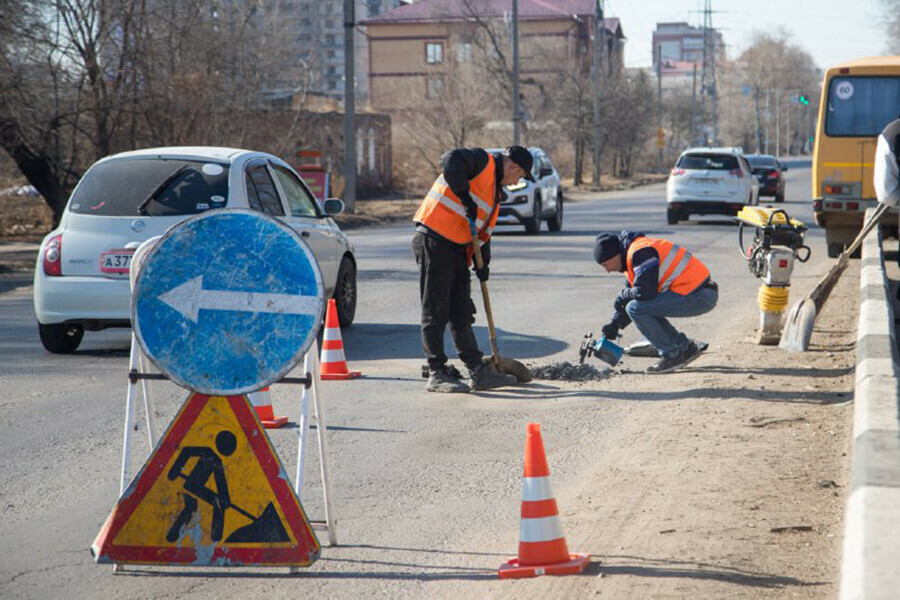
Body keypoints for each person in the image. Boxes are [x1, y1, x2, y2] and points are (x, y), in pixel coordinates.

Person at [412, 146, 535, 392]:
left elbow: (483, 231)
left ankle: (477, 371)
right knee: (436, 309)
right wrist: (464, 196)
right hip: (435, 238)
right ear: (512, 167)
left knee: (461, 311)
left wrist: (483, 264)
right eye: (520, 176)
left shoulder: (495, 190)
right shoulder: (481, 161)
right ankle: (437, 372)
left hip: (457, 247)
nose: (517, 182)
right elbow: (448, 159)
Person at [594, 231, 718, 373]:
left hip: (699, 294)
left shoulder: (641, 252)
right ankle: (685, 347)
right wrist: (615, 324)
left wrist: (622, 295)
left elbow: (644, 293)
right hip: (696, 292)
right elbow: (637, 297)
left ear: (614, 256)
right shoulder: (632, 258)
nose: (607, 270)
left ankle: (672, 355)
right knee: (641, 307)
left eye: (605, 264)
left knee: (636, 309)